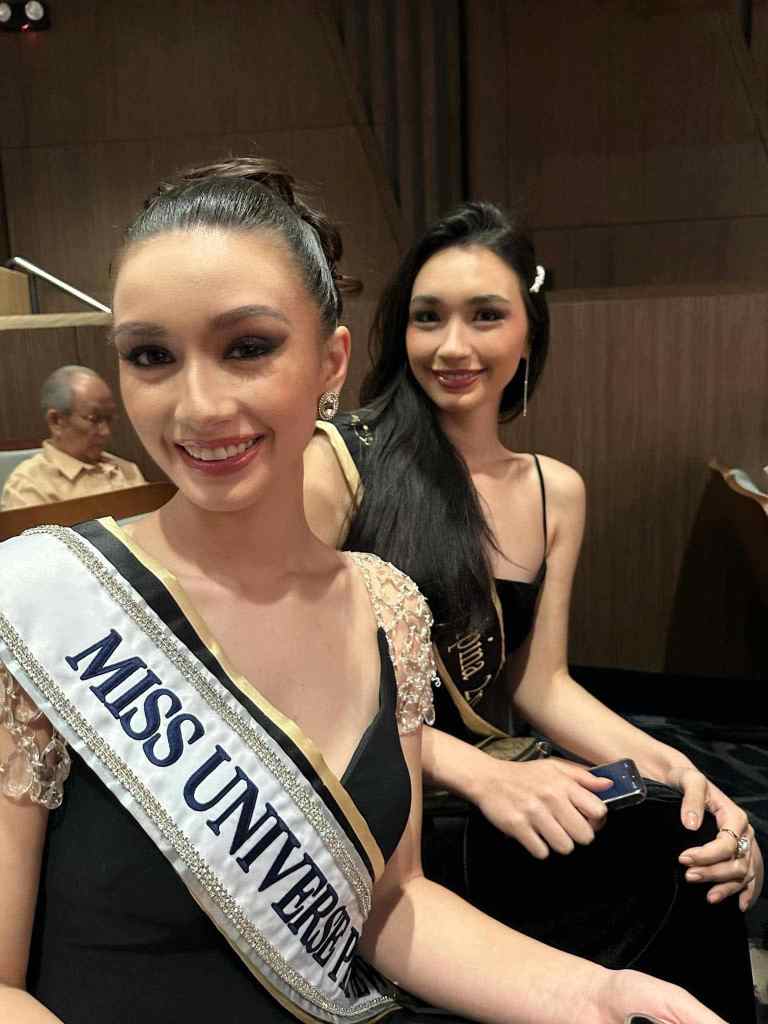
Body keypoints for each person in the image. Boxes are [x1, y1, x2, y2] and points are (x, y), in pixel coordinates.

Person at [0, 160, 729, 1024]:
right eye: (151, 356)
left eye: (248, 347)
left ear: (331, 362)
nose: (198, 405)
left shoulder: (388, 609)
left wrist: (597, 995)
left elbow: (391, 903)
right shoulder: (39, 602)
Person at [303, 201, 763, 1022]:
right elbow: (290, 690)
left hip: (498, 780)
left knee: (693, 839)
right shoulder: (340, 465)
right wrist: (483, 776)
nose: (452, 346)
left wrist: (684, 773)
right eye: (427, 318)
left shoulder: (556, 491)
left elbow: (539, 684)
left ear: (528, 333)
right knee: (655, 864)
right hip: (384, 804)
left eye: (486, 316)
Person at [1, 365, 146, 510]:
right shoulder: (29, 486)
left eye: (110, 418)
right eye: (94, 419)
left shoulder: (126, 469)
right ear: (56, 421)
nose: (106, 431)